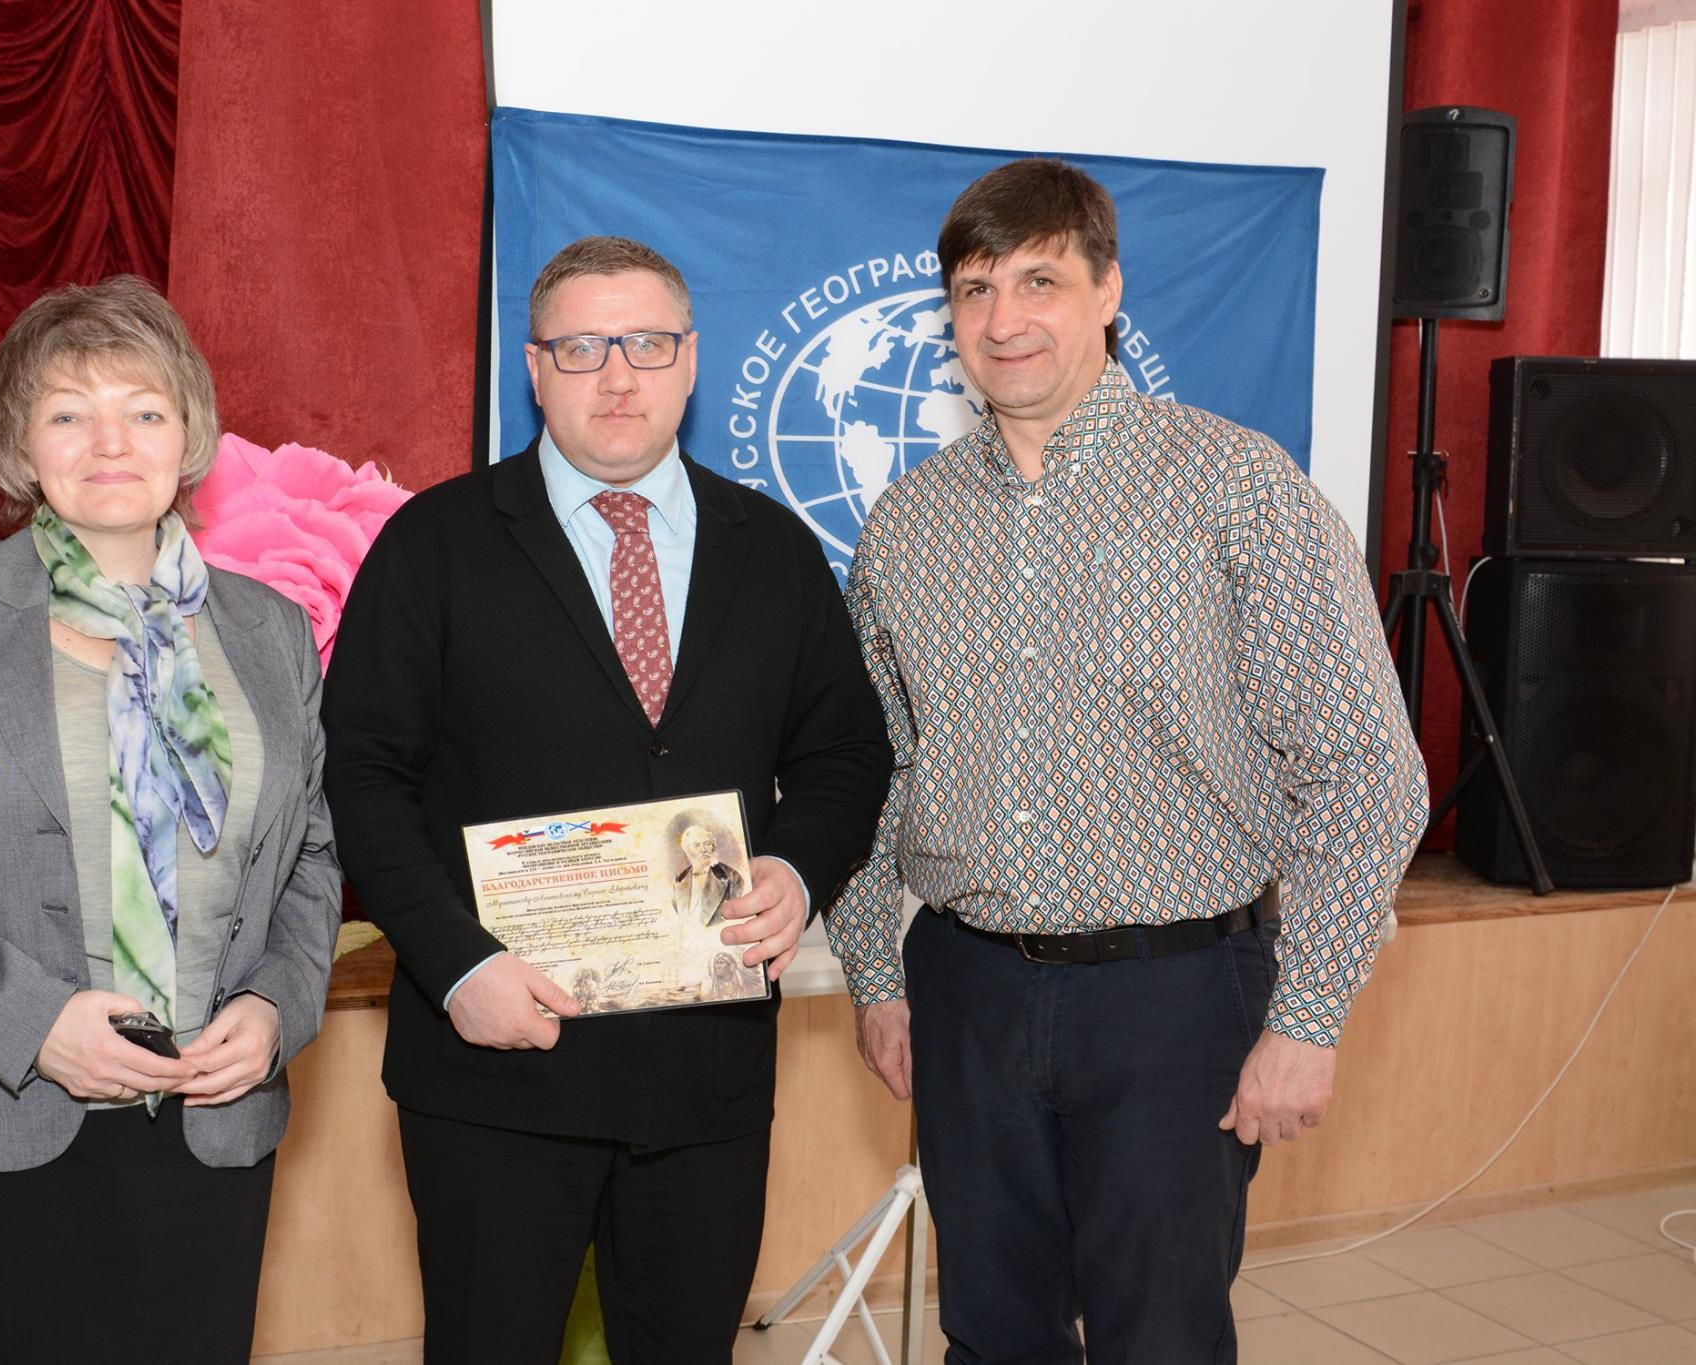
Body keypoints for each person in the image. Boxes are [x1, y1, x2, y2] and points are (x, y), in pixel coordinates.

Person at [828, 160, 1427, 1363]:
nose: (1003, 318)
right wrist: (875, 978)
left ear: (1107, 291)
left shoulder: (1233, 485)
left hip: (1176, 1000)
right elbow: (870, 772)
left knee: (1160, 1337)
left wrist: (1306, 1019)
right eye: (975, 288)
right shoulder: (904, 525)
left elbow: (1366, 768)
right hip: (965, 993)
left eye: (1039, 281)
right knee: (990, 1332)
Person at [322, 235, 891, 1364]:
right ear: (535, 369)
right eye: (582, 348)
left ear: (691, 360)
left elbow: (844, 750)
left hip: (705, 1073)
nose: (618, 376)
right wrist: (458, 966)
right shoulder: (434, 544)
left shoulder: (772, 550)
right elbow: (360, 776)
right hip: (495, 1060)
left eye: (647, 344)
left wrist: (794, 868)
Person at [0, 276, 341, 1364]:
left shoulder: (270, 631)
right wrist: (32, 1022)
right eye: (67, 413)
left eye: (143, 409)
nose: (110, 442)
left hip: (205, 1132)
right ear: (19, 444)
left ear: (187, 435)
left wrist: (278, 1005)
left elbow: (310, 858)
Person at [670, 820, 745, 925]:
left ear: (713, 847)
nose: (703, 849)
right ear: (686, 850)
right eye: (696, 845)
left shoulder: (732, 876)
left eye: (707, 844)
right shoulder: (679, 880)